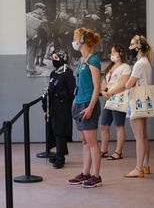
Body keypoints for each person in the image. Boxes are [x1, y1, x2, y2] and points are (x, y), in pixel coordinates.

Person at [67, 28, 103, 188]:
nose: (73, 40)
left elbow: (97, 88)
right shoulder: (81, 61)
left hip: (88, 104)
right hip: (78, 103)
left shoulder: (93, 60)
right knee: (84, 142)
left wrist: (90, 108)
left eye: (75, 37)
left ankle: (96, 176)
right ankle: (85, 173)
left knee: (92, 142)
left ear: (82, 40)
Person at [124, 35, 154, 178]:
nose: (130, 47)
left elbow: (129, 84)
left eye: (132, 44)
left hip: (136, 101)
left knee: (139, 138)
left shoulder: (138, 64)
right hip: (144, 100)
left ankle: (138, 168)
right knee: (144, 136)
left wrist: (126, 82)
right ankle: (146, 165)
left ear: (138, 47)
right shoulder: (146, 62)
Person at [42, 50, 76, 169]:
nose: (53, 60)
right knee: (55, 131)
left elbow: (72, 91)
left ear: (62, 58)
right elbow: (49, 90)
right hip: (53, 106)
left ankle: (60, 158)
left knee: (59, 132)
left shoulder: (67, 73)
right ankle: (59, 153)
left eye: (56, 57)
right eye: (53, 58)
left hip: (62, 106)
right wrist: (45, 109)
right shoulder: (54, 73)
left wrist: (66, 102)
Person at [100, 44, 131, 160]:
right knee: (104, 125)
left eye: (114, 52)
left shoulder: (125, 67)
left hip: (119, 99)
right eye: (111, 52)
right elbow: (104, 83)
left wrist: (110, 92)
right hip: (109, 99)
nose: (111, 54)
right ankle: (104, 151)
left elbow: (123, 84)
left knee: (119, 126)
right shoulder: (109, 67)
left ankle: (118, 152)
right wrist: (103, 92)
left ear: (121, 53)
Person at [26, 2, 48, 76]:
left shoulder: (30, 14)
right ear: (38, 8)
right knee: (31, 53)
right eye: (42, 9)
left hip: (31, 37)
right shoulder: (36, 16)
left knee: (30, 53)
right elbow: (40, 26)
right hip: (33, 38)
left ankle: (29, 68)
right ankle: (31, 70)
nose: (43, 11)